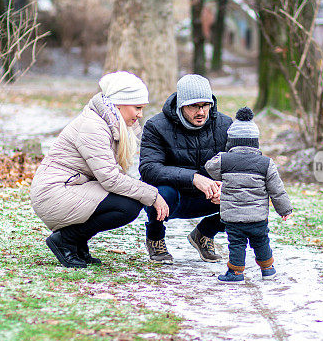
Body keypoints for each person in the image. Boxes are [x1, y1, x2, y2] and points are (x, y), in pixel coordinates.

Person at [30, 72, 169, 269]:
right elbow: (110, 179)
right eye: (137, 108)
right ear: (119, 104)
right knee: (126, 206)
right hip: (54, 193)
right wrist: (152, 195)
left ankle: (77, 244)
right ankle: (65, 240)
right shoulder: (94, 127)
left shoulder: (107, 123)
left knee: (130, 201)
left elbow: (111, 173)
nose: (140, 114)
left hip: (71, 186)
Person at [139, 74, 232, 264]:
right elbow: (149, 169)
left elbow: (243, 164)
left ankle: (204, 233)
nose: (201, 112)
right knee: (157, 192)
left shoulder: (226, 125)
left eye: (205, 105)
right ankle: (155, 238)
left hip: (210, 196)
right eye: (194, 106)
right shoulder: (156, 126)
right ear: (181, 105)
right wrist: (193, 178)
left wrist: (225, 186)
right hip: (173, 197)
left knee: (250, 193)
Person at [204, 107, 293, 282]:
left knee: (236, 244)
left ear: (231, 142)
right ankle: (268, 269)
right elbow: (277, 189)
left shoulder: (224, 160)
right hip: (258, 217)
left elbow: (209, 167)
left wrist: (224, 154)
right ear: (255, 142)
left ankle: (236, 273)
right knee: (261, 242)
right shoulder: (266, 163)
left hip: (234, 218)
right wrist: (284, 210)